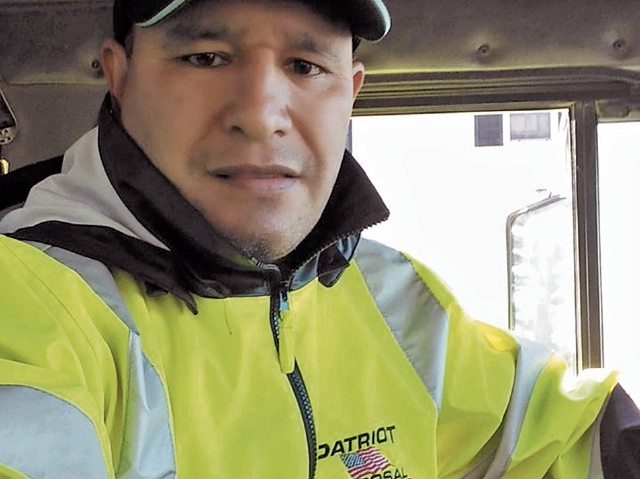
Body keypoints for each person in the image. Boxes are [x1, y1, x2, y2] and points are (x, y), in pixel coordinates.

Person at [0, 0, 638, 477]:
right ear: (120, 75)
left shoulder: (399, 302)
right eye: (204, 58)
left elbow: (570, 435)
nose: (260, 113)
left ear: (350, 92)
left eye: (306, 66)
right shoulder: (30, 301)